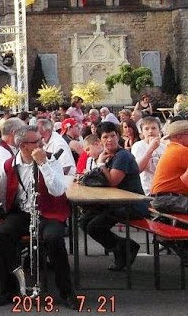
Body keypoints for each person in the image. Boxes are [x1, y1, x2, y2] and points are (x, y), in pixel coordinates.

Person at [0, 125, 79, 308]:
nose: (42, 143)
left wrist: (44, 164)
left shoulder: (51, 159)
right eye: (37, 141)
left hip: (49, 212)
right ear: (23, 145)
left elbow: (57, 190)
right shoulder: (10, 164)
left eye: (41, 140)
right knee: (3, 235)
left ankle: (66, 292)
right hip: (24, 212)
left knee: (53, 238)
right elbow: (4, 190)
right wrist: (7, 214)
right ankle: (9, 289)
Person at [79, 122, 148, 271]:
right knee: (84, 221)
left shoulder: (123, 156)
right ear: (100, 140)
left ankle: (122, 249)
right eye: (105, 137)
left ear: (118, 136)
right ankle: (123, 247)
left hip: (133, 204)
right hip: (116, 202)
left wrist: (101, 164)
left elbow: (113, 181)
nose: (110, 140)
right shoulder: (110, 155)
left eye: (112, 136)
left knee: (94, 226)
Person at [149, 119, 188, 214]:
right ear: (181, 137)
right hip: (168, 198)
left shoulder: (171, 148)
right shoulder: (182, 151)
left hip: (161, 198)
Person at [131, 116, 166, 196]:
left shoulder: (163, 146)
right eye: (146, 129)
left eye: (154, 128)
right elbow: (138, 168)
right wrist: (151, 148)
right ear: (142, 132)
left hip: (162, 187)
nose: (150, 131)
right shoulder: (138, 146)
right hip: (146, 189)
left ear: (159, 130)